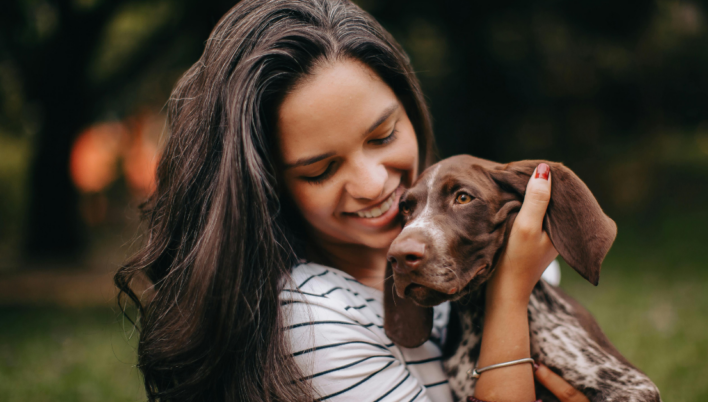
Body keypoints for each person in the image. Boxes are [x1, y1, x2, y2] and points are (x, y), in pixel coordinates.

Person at [115, 1, 589, 401]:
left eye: (383, 136)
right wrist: (508, 293)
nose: (373, 184)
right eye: (321, 170)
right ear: (268, 186)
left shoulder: (481, 247)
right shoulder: (310, 320)